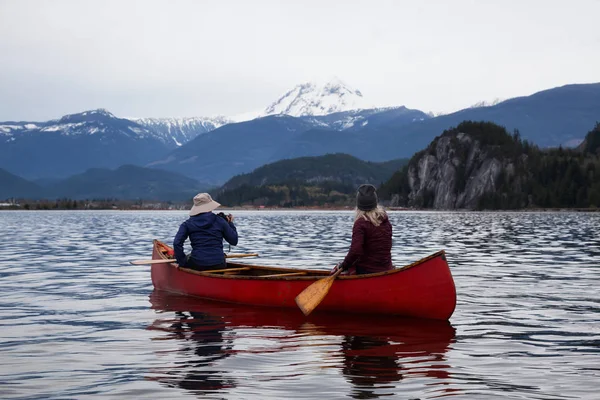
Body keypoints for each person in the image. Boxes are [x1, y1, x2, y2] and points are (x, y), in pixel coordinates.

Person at [335, 184, 393, 275]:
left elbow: (355, 251)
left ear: (359, 204)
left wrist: (343, 266)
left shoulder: (361, 223)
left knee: (346, 267)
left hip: (367, 271)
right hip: (387, 269)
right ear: (375, 202)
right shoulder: (385, 221)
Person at [173, 192, 238, 271]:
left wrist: (182, 262)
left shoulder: (187, 224)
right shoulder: (220, 221)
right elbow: (234, 241)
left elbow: (177, 243)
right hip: (219, 264)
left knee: (187, 257)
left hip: (197, 264)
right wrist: (230, 223)